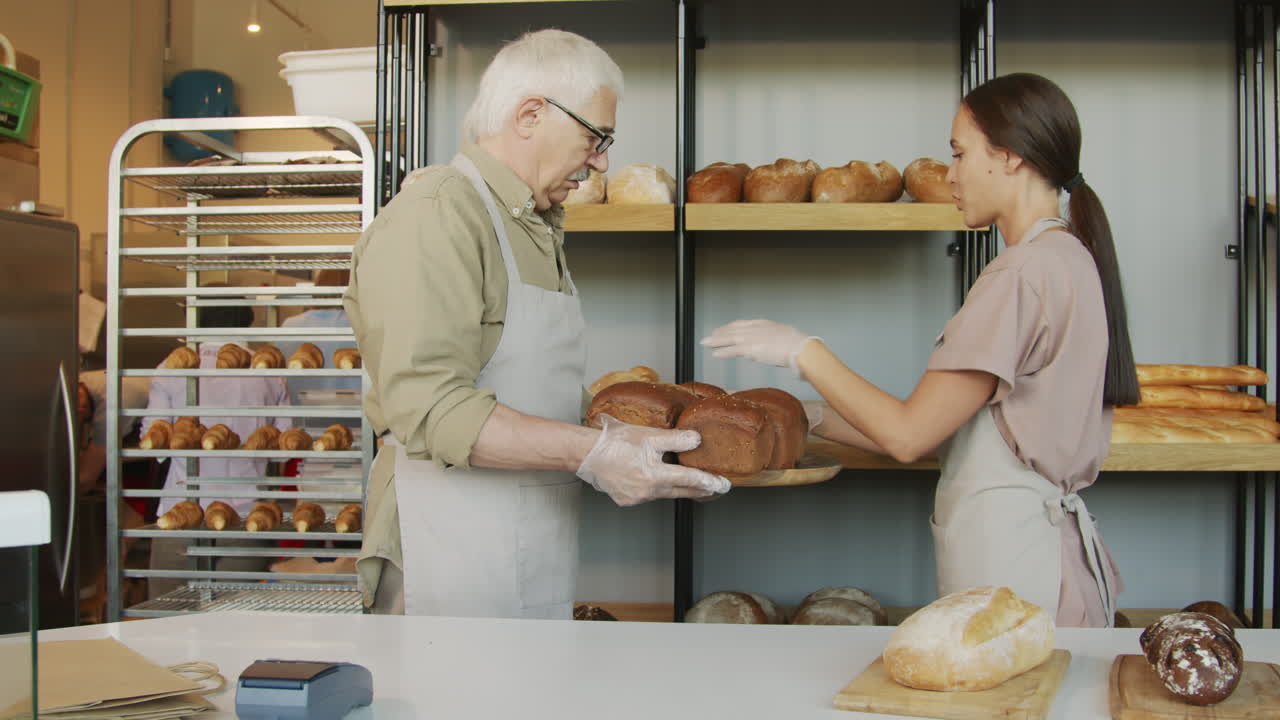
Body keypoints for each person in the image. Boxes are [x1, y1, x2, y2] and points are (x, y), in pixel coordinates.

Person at [702, 73, 1138, 628]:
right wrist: (805, 417)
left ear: (1009, 157)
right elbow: (945, 432)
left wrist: (802, 350)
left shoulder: (1023, 274)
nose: (950, 175)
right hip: (1037, 565)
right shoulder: (1067, 258)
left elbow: (909, 436)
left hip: (1015, 573)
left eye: (959, 154)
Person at [346, 29, 730, 619]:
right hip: (446, 544)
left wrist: (632, 441)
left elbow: (533, 385)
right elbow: (429, 408)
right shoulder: (440, 213)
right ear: (530, 115)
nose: (601, 160)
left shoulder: (532, 222)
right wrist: (596, 451)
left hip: (528, 539)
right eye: (595, 137)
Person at [142, 302, 293, 599]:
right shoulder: (270, 371)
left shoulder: (173, 367)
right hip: (247, 515)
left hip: (181, 513)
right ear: (246, 323)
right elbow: (281, 452)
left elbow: (153, 442)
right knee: (233, 628)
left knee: (165, 625)